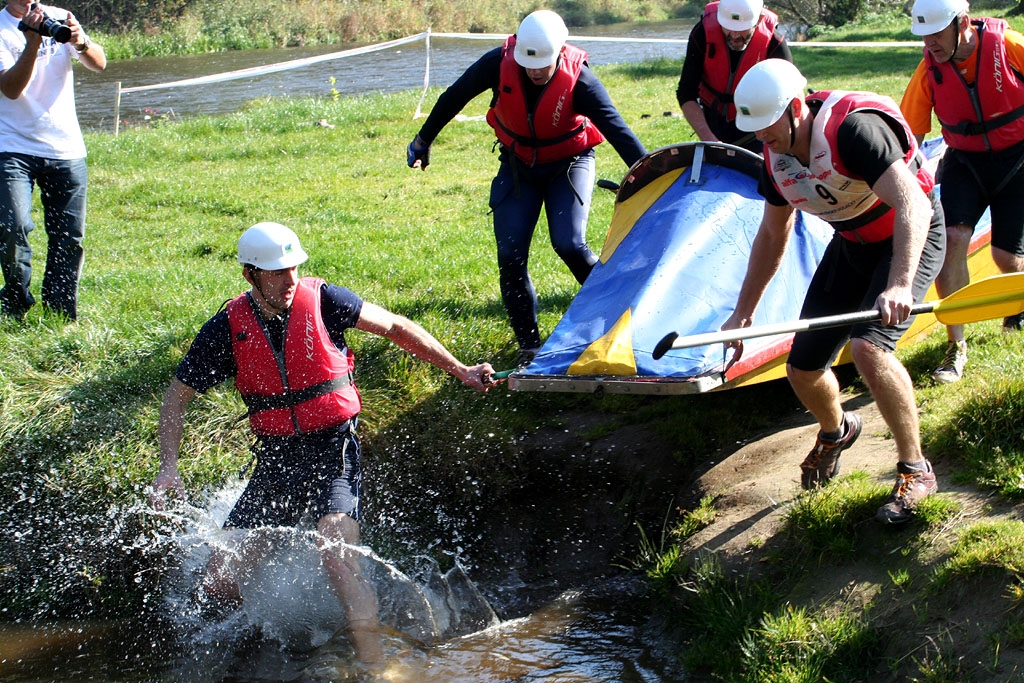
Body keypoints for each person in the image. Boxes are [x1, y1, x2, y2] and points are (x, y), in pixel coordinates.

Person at [148, 222, 495, 664]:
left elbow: (395, 326)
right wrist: (168, 467)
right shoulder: (227, 328)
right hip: (276, 462)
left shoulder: (325, 300)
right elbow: (177, 396)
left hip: (333, 450)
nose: (289, 281)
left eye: (293, 268)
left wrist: (461, 370)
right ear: (250, 275)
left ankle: (375, 664)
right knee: (220, 578)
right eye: (276, 273)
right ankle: (240, 656)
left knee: (336, 554)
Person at [721, 59, 946, 524]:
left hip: (912, 233)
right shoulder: (773, 152)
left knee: (869, 350)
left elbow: (913, 204)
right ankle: (836, 430)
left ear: (796, 109)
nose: (762, 138)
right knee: (802, 369)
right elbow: (771, 235)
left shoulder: (854, 131)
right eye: (754, 129)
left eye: (767, 127)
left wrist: (900, 283)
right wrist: (743, 314)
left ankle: (916, 470)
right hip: (853, 245)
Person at [406, 9, 647, 367]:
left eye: (544, 65)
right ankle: (529, 345)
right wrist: (423, 140)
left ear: (559, 53)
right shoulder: (497, 64)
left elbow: (618, 131)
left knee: (569, 244)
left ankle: (621, 317)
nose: (535, 71)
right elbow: (455, 96)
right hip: (519, 167)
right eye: (529, 64)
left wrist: (653, 174)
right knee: (510, 254)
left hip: (569, 163)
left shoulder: (580, 80)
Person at [900, 0, 1024, 384]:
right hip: (964, 162)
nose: (930, 44)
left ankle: (1016, 314)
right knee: (953, 241)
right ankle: (957, 346)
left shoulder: (1012, 46)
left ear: (964, 23)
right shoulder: (929, 69)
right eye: (924, 36)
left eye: (936, 33)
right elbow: (910, 138)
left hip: (1018, 160)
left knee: (1007, 258)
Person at [0, 0, 105, 320]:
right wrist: (32, 44)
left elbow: (99, 63)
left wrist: (80, 41)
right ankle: (17, 300)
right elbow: (11, 89)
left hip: (65, 146)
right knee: (12, 225)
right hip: (12, 145)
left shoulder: (61, 16)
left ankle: (60, 312)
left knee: (69, 235)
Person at [675, 0, 792, 154]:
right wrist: (708, 138)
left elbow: (788, 98)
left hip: (756, 123)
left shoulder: (774, 43)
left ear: (758, 20)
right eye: (728, 28)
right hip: (713, 117)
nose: (734, 35)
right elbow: (686, 92)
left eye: (742, 29)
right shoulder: (702, 34)